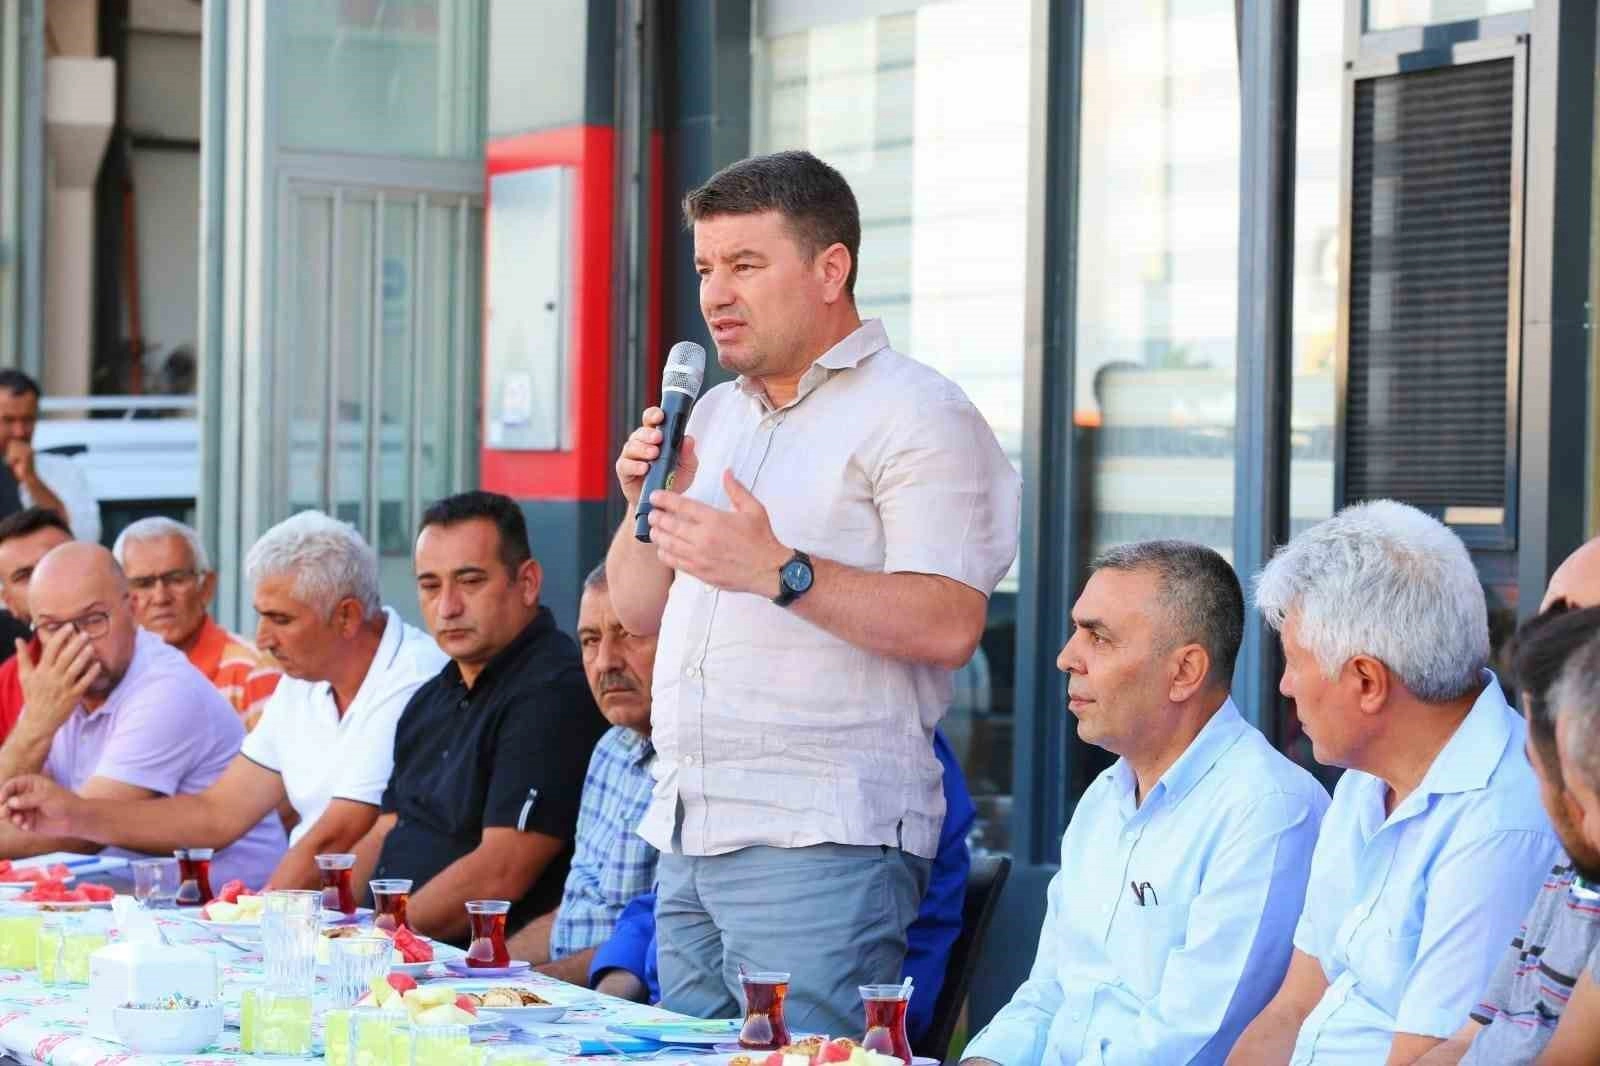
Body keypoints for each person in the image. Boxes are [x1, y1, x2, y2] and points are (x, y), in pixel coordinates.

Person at [606, 149, 1020, 1036]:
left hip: (820, 841)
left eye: (745, 265)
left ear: (831, 270)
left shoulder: (920, 413)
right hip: (689, 830)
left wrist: (780, 573)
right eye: (706, 269)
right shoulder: (715, 415)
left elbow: (950, 622)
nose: (716, 295)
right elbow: (638, 610)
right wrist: (641, 498)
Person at [957, 542, 1328, 1065]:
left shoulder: (1268, 809)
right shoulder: (1104, 798)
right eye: (1076, 631)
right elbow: (1047, 995)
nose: (1067, 658)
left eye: (1099, 637)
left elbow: (1192, 1040)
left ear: (1184, 672)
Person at [1228, 500, 1560, 1065]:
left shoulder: (1501, 823)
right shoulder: (1366, 778)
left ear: (1367, 682)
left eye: (1294, 662)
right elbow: (1295, 1004)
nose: (1284, 685)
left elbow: (1424, 1055)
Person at [0, 511, 444, 889]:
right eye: (52, 627)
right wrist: (73, 812)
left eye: (280, 619)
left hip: (371, 918)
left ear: (345, 616)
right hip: (306, 910)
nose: (262, 639)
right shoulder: (306, 675)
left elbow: (337, 836)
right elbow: (218, 813)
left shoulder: (412, 677)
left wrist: (260, 923)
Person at [587, 727, 975, 1047]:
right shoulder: (686, 755)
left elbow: (917, 936)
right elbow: (661, 899)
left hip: (839, 1011)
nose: (607, 663)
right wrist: (620, 975)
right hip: (667, 1017)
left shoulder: (853, 746)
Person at [349, 492, 606, 943]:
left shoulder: (555, 692)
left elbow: (500, 871)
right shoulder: (430, 697)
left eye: (469, 582)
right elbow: (387, 829)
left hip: (477, 966)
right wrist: (325, 925)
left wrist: (378, 941)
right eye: (430, 586)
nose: (447, 607)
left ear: (527, 582)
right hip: (391, 948)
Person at [0, 542, 281, 885]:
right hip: (133, 896)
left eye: (93, 620)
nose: (76, 643)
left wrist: (36, 726)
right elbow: (11, 802)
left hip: (226, 906)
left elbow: (77, 832)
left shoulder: (167, 688)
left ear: (132, 609)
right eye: (53, 627)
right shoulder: (56, 684)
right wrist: (35, 726)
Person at [503, 562, 661, 980]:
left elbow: (651, 945)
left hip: (621, 1002)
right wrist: (478, 970)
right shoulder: (610, 749)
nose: (605, 661)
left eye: (629, 633)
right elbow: (578, 913)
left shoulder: (697, 765)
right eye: (590, 640)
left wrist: (528, 985)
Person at [114, 517, 281, 729]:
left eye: (176, 579)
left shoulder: (252, 671)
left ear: (206, 587)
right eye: (143, 584)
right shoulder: (110, 674)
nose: (160, 597)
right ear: (120, 595)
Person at [0, 370, 99, 543]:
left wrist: (32, 480)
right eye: (8, 420)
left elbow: (84, 538)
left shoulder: (62, 470)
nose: (19, 432)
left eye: (28, 420)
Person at [0, 508, 70, 738]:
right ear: (10, 603)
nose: (44, 582)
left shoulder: (150, 655)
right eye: (25, 576)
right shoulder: (5, 684)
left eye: (54, 564)